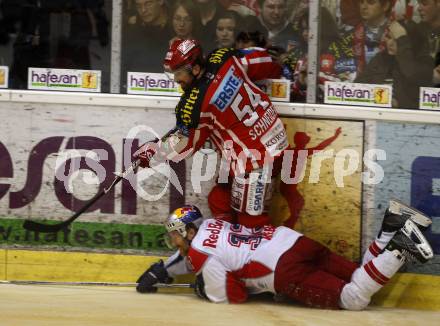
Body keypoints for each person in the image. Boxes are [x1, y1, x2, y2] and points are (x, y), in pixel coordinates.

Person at [136, 199, 433, 310]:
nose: (172, 239)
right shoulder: (212, 224)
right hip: (292, 241)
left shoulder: (200, 254)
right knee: (358, 274)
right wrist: (161, 270)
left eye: (175, 233)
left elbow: (234, 296)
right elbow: (195, 255)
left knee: (354, 298)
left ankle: (401, 247)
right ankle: (392, 225)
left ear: (189, 231)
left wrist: (203, 289)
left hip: (282, 269)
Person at [133, 38, 284, 228]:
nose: (176, 79)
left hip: (255, 159)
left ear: (195, 69)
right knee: (218, 198)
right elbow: (265, 61)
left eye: (179, 73)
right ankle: (226, 246)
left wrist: (153, 154)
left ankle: (257, 253)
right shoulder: (223, 57)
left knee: (251, 223)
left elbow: (186, 145)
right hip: (274, 136)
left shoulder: (195, 104)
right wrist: (281, 71)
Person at [122, 0, 172, 74]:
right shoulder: (131, 33)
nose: (143, 10)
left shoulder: (177, 30)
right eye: (139, 6)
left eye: (148, 3)